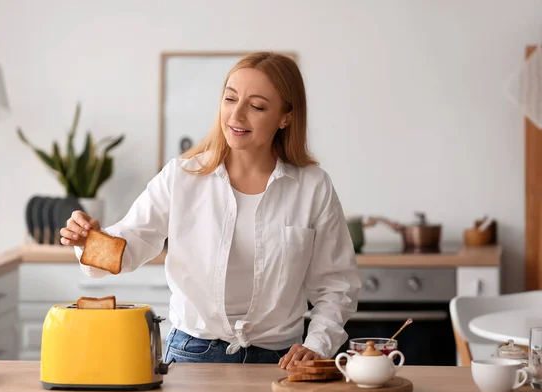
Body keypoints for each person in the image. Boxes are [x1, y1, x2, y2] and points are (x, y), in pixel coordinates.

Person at [60, 51, 361, 369]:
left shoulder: (312, 186)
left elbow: (336, 284)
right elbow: (130, 243)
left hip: (283, 361)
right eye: (230, 99)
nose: (237, 115)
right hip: (192, 355)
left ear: (286, 117)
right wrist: (88, 241)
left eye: (257, 106)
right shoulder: (182, 176)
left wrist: (316, 345)